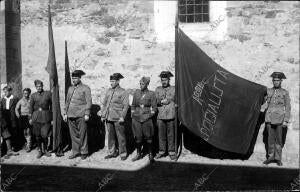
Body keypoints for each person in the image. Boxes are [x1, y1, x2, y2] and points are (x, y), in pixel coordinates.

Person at [261, 72, 291, 166]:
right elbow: (262, 100)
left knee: (278, 140)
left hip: (280, 119)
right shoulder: (268, 91)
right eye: (274, 80)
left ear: (281, 81)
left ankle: (278, 158)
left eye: (278, 80)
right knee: (269, 140)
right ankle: (270, 157)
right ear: (272, 81)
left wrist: (286, 120)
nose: (276, 82)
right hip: (269, 118)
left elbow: (288, 107)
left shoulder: (284, 92)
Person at [100, 73, 129, 161]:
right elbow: (105, 104)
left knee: (121, 136)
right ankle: (112, 152)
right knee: (110, 137)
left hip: (118, 118)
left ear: (118, 81)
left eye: (113, 81)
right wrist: (103, 115)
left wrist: (122, 116)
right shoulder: (109, 91)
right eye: (110, 81)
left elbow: (126, 106)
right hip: (109, 117)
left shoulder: (123, 91)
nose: (111, 83)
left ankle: (123, 153)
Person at [64, 70, 92, 160]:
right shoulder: (70, 88)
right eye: (73, 78)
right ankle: (76, 151)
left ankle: (84, 152)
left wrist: (87, 113)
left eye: (76, 78)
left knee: (83, 134)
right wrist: (65, 113)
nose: (74, 80)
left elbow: (89, 102)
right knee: (73, 135)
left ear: (80, 78)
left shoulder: (86, 88)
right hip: (71, 114)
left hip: (81, 114)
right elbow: (67, 101)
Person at [131, 77, 157, 163]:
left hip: (146, 118)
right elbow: (133, 105)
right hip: (137, 118)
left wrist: (149, 115)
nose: (141, 85)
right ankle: (138, 154)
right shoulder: (136, 93)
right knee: (138, 137)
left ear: (147, 84)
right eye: (140, 84)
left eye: (142, 84)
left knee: (148, 137)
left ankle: (150, 154)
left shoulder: (151, 94)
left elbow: (154, 108)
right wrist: (133, 114)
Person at [155, 71, 177, 161]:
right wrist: (160, 101)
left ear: (169, 80)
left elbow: (177, 99)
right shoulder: (158, 89)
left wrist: (169, 101)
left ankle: (171, 152)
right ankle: (161, 151)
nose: (163, 82)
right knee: (161, 135)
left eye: (165, 80)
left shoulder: (174, 89)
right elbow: (154, 100)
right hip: (160, 116)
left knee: (171, 135)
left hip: (171, 115)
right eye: (162, 80)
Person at [29, 80, 52, 159]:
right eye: (37, 86)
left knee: (45, 135)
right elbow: (31, 108)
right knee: (38, 135)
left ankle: (45, 150)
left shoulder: (48, 94)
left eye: (40, 86)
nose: (39, 88)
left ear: (42, 86)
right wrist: (30, 118)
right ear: (35, 87)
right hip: (36, 117)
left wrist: (52, 118)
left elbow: (52, 106)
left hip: (46, 116)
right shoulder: (33, 95)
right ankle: (40, 150)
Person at [0, 85, 19, 158]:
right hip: (4, 118)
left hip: (12, 117)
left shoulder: (15, 98)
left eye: (6, 91)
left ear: (10, 91)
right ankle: (7, 149)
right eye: (4, 91)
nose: (5, 93)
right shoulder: (2, 99)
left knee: (11, 133)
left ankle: (11, 148)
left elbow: (17, 108)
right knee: (6, 133)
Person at [15, 88, 32, 152]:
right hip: (22, 117)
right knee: (24, 132)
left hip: (29, 117)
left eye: (27, 93)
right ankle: (27, 143)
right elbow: (16, 108)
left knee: (28, 131)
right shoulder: (21, 100)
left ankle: (29, 146)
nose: (25, 94)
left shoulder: (31, 100)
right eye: (24, 93)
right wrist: (18, 115)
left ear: (29, 93)